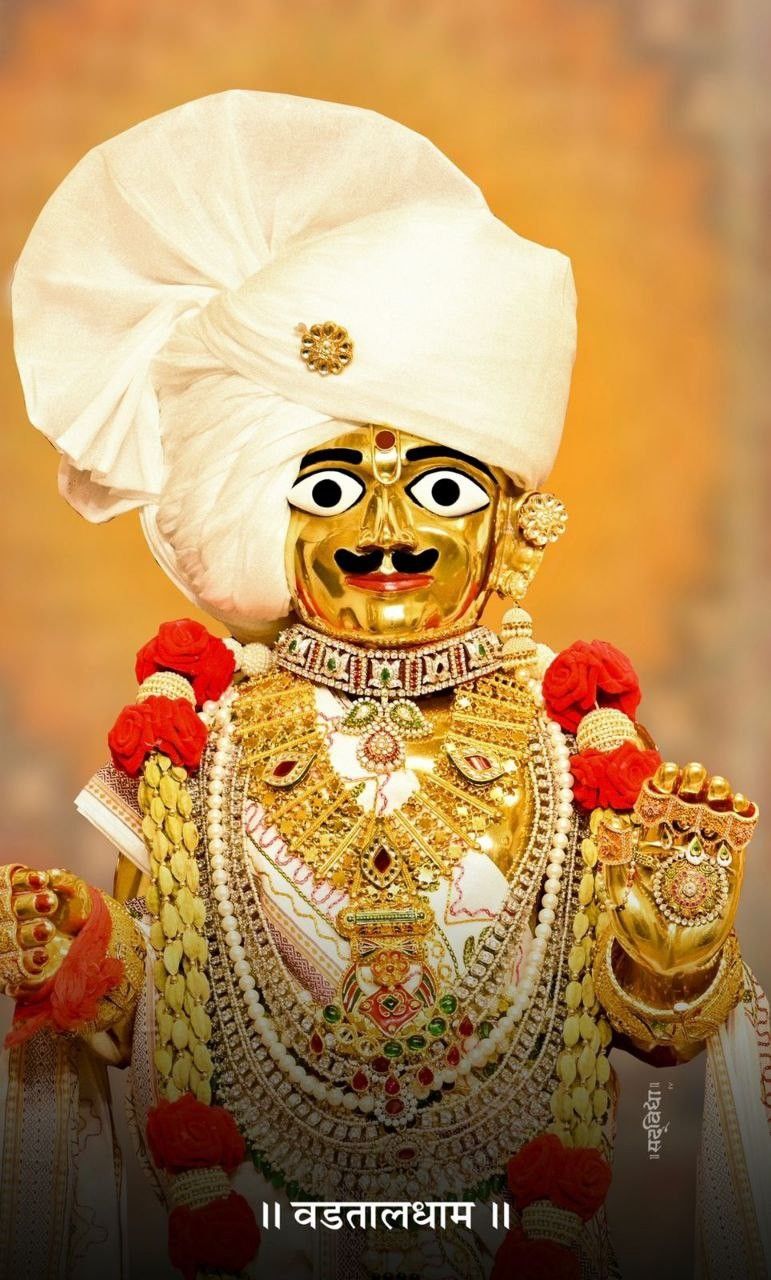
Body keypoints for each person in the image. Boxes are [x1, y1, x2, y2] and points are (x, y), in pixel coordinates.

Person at [3, 91, 769, 1280]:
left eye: (441, 489)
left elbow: (656, 1039)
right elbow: (156, 1017)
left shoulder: (577, 757)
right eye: (330, 487)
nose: (386, 526)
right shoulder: (194, 751)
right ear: (275, 513)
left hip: (515, 1235)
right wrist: (87, 963)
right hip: (255, 1235)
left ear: (512, 523)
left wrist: (677, 934)